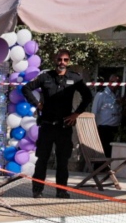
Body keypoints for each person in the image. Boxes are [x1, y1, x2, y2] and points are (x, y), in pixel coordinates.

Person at [23, 50, 93, 198]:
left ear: (69, 61)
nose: (62, 62)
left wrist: (77, 113)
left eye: (65, 60)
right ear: (55, 60)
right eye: (60, 59)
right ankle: (37, 190)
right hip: (47, 125)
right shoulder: (45, 77)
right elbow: (26, 88)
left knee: (62, 161)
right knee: (42, 160)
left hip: (64, 126)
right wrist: (37, 104)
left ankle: (61, 190)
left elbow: (88, 96)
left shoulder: (75, 78)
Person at [91, 85, 122, 150]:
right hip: (104, 128)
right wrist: (93, 128)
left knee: (112, 150)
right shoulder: (101, 95)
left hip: (115, 128)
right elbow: (94, 111)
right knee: (104, 149)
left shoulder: (118, 94)